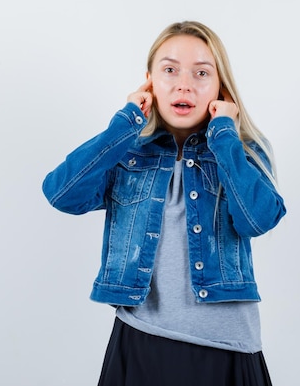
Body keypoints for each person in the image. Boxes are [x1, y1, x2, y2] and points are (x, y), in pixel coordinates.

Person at [42, 20, 286, 386]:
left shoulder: (240, 151)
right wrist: (125, 124)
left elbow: (258, 219)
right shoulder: (128, 153)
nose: (184, 83)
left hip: (227, 346)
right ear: (149, 82)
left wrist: (224, 137)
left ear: (221, 89)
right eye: (170, 70)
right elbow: (62, 194)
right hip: (139, 338)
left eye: (201, 73)